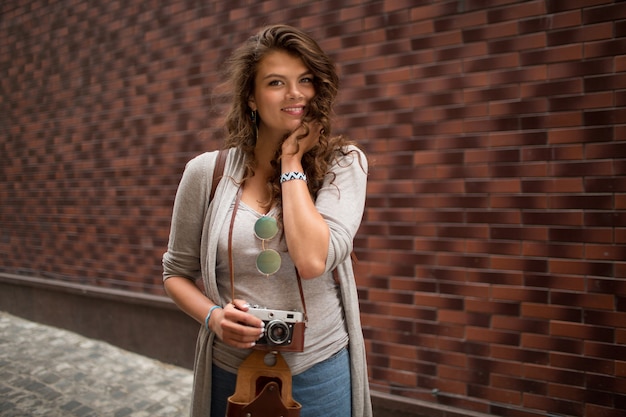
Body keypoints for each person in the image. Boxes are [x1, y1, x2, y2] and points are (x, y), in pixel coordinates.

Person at [162, 24, 372, 417]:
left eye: (305, 80)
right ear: (252, 98)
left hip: (320, 371)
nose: (295, 94)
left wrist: (291, 163)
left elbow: (312, 260)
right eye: (277, 82)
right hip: (232, 370)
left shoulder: (344, 165)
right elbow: (175, 272)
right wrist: (214, 317)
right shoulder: (206, 173)